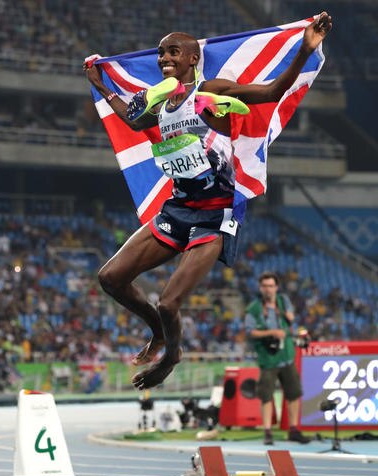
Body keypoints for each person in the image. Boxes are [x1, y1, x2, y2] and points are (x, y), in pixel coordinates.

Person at [83, 13, 332, 390]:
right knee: (110, 278)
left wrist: (304, 48)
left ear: (192, 59)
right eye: (161, 52)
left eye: (174, 51)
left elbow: (270, 92)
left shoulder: (211, 91)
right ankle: (159, 334)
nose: (164, 57)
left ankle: (171, 355)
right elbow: (133, 122)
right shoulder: (160, 100)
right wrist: (101, 84)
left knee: (169, 303)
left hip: (215, 215)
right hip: (178, 208)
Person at [244, 271, 310, 445]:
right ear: (260, 288)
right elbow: (250, 332)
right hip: (268, 357)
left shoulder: (283, 301)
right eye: (265, 286)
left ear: (276, 287)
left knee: (294, 393)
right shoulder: (254, 308)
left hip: (287, 355)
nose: (268, 289)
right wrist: (272, 332)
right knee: (266, 395)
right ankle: (267, 431)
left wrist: (289, 318)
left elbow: (292, 318)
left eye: (271, 286)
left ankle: (294, 429)